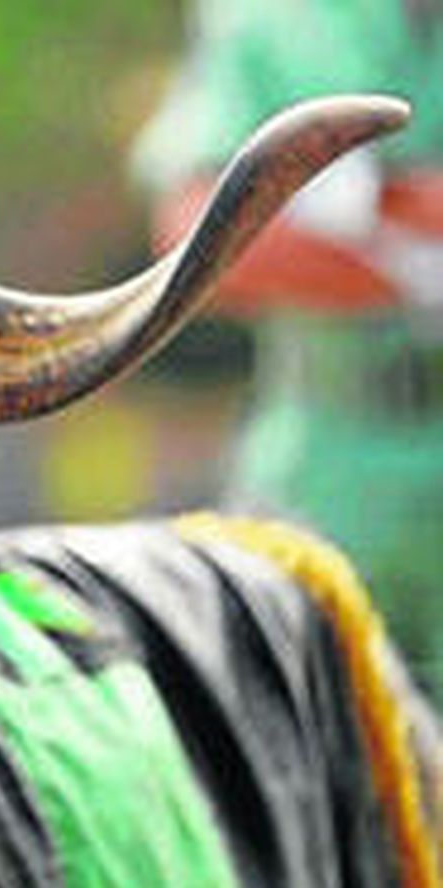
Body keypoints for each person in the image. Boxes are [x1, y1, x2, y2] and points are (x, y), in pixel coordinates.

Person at [134, 0, 443, 690]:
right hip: (324, 478)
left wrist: (350, 204)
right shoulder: (269, 16)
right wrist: (415, 246)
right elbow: (203, 236)